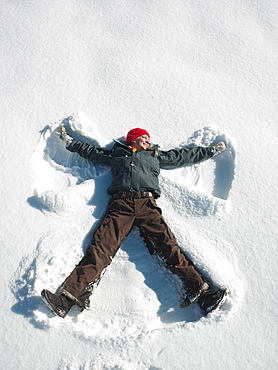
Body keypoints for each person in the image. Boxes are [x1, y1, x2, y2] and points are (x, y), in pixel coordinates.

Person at [41, 127, 228, 318]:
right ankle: (67, 300)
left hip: (147, 204)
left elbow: (182, 156)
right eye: (143, 138)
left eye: (148, 138)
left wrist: (210, 151)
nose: (147, 141)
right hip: (120, 206)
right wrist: (68, 141)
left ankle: (203, 296)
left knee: (168, 247)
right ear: (132, 140)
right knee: (101, 249)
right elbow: (91, 152)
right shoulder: (117, 155)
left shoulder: (154, 155)